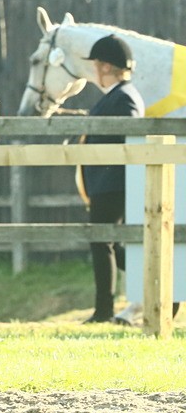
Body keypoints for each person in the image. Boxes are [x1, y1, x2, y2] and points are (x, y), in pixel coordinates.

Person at [80, 34, 144, 324]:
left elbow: (129, 134)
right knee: (109, 243)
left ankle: (104, 310)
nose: (94, 70)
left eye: (96, 64)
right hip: (106, 183)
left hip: (114, 183)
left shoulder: (125, 97)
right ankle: (156, 280)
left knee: (102, 241)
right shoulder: (116, 97)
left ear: (106, 67)